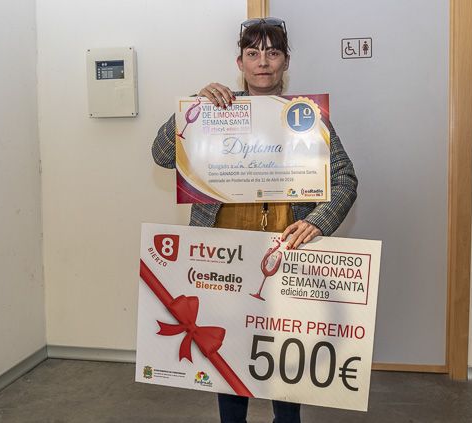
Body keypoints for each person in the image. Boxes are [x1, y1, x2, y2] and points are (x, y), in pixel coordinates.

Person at [152, 17, 358, 423]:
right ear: (240, 63)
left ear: (286, 62)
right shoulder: (212, 110)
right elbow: (161, 155)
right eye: (253, 53)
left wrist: (318, 222)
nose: (263, 62)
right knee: (227, 362)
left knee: (285, 364)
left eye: (273, 52)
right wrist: (192, 106)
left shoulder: (307, 116)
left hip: (285, 256)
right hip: (221, 258)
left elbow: (345, 178)